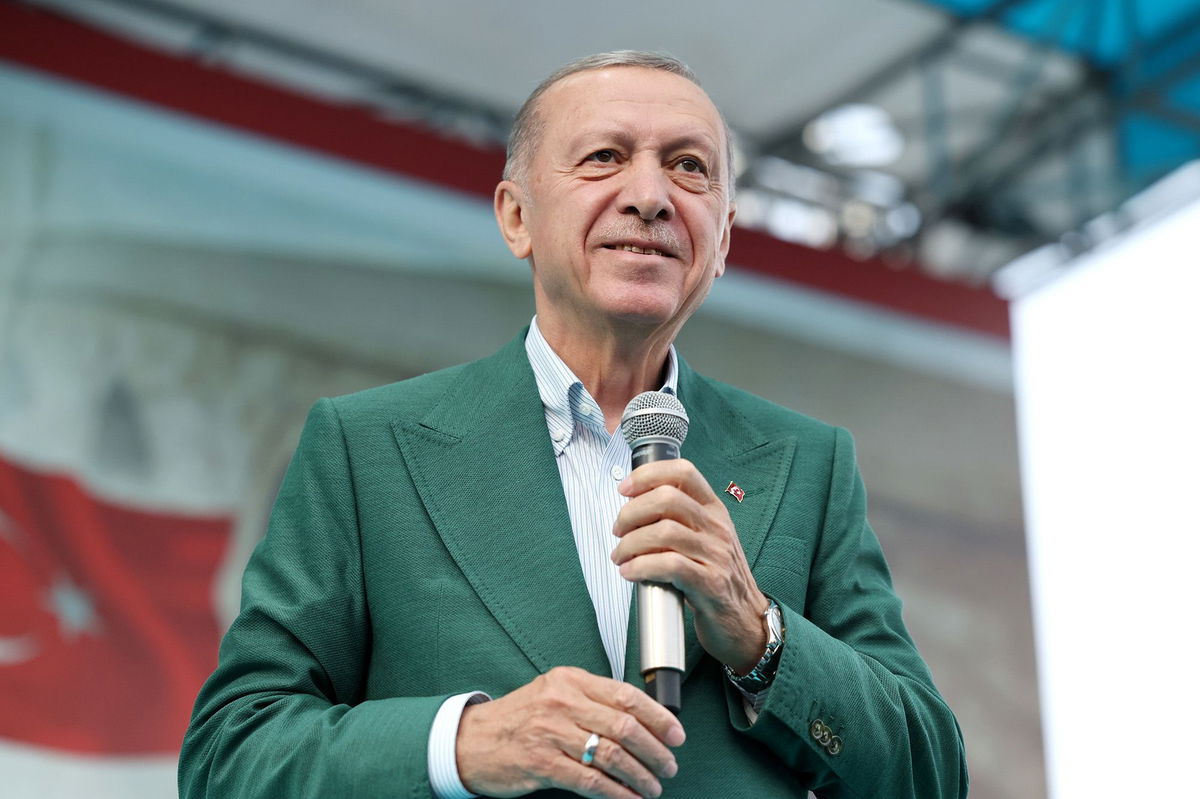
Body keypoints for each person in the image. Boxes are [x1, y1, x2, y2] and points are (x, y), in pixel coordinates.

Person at [179, 51, 967, 799]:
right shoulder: (366, 448)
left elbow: (928, 773)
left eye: (690, 166)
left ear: (721, 239)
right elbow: (231, 755)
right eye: (604, 157)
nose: (651, 195)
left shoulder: (808, 462)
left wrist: (762, 638)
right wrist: (469, 740)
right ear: (517, 217)